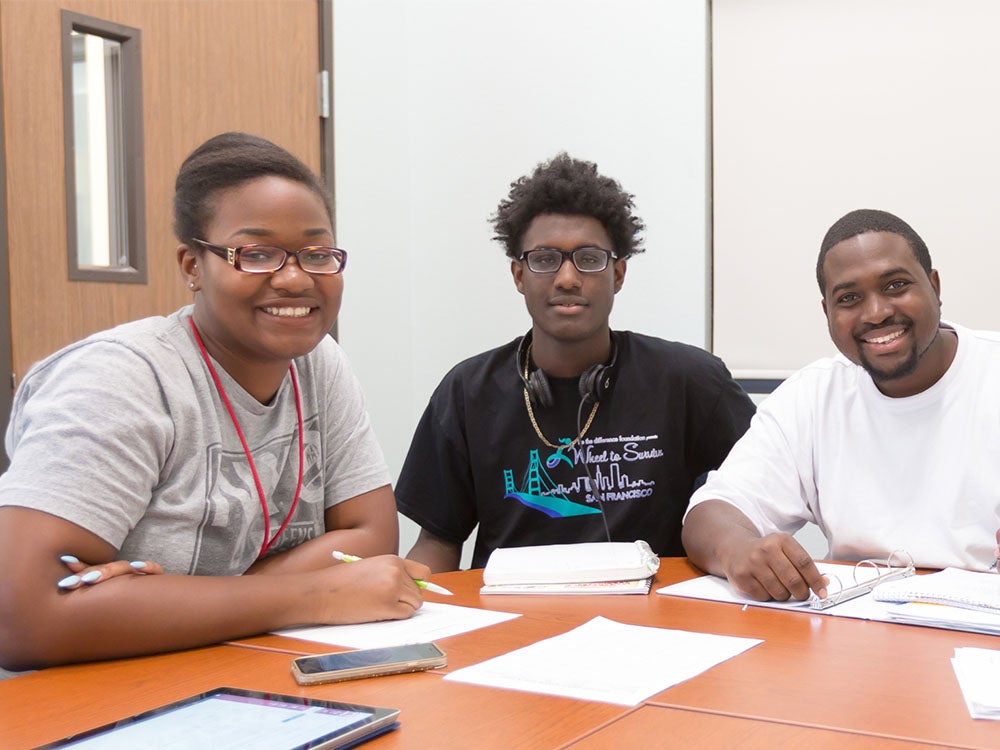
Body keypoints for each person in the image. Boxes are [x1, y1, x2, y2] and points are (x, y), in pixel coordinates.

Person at [0, 132, 429, 672]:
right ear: (192, 266)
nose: (295, 278)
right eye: (256, 253)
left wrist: (178, 599)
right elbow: (20, 617)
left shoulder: (319, 364)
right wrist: (317, 595)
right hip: (94, 703)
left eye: (317, 254)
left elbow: (370, 538)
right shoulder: (119, 379)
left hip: (240, 671)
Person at [395, 153, 755, 572]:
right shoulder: (466, 391)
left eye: (588, 258)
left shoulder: (691, 381)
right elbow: (438, 541)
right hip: (508, 624)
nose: (567, 278)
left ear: (618, 274)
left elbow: (754, 501)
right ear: (518, 275)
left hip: (656, 620)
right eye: (545, 259)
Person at [682, 208, 1000, 602]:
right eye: (849, 298)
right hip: (858, 628)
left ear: (934, 287)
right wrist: (738, 549)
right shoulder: (813, 395)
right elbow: (713, 510)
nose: (877, 313)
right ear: (827, 313)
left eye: (897, 285)